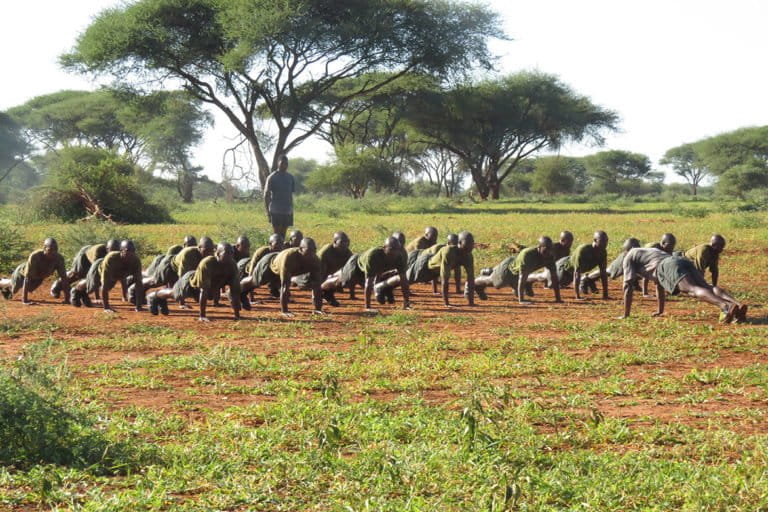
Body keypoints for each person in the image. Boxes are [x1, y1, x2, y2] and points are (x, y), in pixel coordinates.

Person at [619, 247, 746, 323]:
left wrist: (626, 314)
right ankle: (737, 305)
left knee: (692, 290)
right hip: (680, 260)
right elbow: (659, 284)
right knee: (707, 286)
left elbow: (627, 286)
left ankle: (725, 306)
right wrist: (660, 311)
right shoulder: (648, 251)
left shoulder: (628, 257)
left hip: (667, 265)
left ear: (625, 251)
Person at [376, 231, 475, 309]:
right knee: (406, 278)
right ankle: (381, 286)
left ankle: (387, 288)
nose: (472, 245)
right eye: (469, 243)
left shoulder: (468, 255)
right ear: (460, 243)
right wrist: (447, 304)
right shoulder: (449, 251)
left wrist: (471, 302)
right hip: (424, 263)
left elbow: (470, 279)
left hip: (433, 271)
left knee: (407, 279)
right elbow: (444, 279)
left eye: (472, 243)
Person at [148, 242, 242, 322]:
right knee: (175, 293)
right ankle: (155, 296)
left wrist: (237, 315)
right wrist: (202, 316)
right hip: (191, 283)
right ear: (217, 254)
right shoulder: (207, 263)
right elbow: (203, 290)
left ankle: (160, 297)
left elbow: (235, 291)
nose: (230, 256)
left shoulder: (232, 266)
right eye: (227, 253)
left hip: (209, 287)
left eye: (231, 253)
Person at [323, 236, 410, 312]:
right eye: (391, 249)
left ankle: (329, 290)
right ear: (384, 248)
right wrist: (367, 307)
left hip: (372, 269)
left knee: (391, 277)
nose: (394, 252)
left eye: (397, 250)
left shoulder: (399, 257)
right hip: (356, 265)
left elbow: (404, 280)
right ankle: (322, 287)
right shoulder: (373, 256)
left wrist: (406, 303)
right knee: (343, 282)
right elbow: (369, 283)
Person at [240, 238, 324, 317]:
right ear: (301, 249)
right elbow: (284, 285)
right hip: (270, 264)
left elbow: (317, 285)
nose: (312, 254)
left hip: (284, 266)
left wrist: (318, 309)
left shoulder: (315, 260)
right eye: (309, 251)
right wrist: (285, 311)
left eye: (314, 250)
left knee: (315, 283)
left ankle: (241, 294)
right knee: (255, 281)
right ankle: (236, 290)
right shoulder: (289, 258)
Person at [474, 236, 562, 304]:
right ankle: (475, 282)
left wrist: (558, 298)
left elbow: (554, 278)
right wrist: (521, 300)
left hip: (517, 271)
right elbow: (522, 277)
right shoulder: (528, 255)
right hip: (508, 271)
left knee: (516, 286)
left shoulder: (550, 256)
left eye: (551, 249)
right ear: (539, 247)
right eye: (546, 249)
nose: (549, 252)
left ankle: (488, 271)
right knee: (494, 282)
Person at [70, 240, 143, 313]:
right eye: (128, 251)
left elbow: (139, 283)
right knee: (94, 284)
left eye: (133, 251)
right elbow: (104, 284)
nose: (131, 253)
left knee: (106, 285)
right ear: (121, 250)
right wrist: (106, 308)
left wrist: (138, 306)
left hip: (117, 273)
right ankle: (76, 290)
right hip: (99, 270)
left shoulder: (136, 261)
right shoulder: (111, 258)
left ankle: (84, 295)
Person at [543, 231, 609, 300]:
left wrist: (605, 294)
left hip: (571, 273)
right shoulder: (583, 250)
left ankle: (585, 280)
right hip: (562, 268)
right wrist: (577, 296)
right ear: (595, 240)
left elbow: (603, 273)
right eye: (602, 241)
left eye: (606, 240)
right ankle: (530, 279)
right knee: (544, 277)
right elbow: (576, 273)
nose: (605, 243)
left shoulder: (603, 252)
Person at [1, 238, 69, 304]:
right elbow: (27, 278)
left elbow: (64, 279)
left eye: (55, 250)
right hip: (21, 274)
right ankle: (2, 282)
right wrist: (25, 300)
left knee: (29, 288)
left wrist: (67, 299)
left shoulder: (59, 259)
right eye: (50, 250)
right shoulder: (35, 256)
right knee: (14, 290)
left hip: (37, 278)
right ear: (44, 248)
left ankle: (5, 282)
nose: (53, 252)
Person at [293, 231, 352, 307]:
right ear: (335, 242)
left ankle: (328, 294)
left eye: (347, 241)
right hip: (312, 273)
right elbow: (317, 272)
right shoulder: (326, 251)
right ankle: (293, 279)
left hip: (327, 274)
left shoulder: (347, 253)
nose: (345, 244)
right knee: (303, 284)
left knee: (339, 278)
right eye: (342, 242)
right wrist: (316, 300)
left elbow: (350, 270)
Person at [51, 239, 120, 299]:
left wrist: (124, 297)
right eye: (112, 250)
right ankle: (56, 286)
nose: (113, 253)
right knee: (75, 274)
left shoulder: (117, 255)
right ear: (107, 248)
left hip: (90, 259)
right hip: (84, 256)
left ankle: (69, 288)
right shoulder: (99, 251)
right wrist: (97, 297)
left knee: (81, 276)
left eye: (116, 250)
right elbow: (95, 273)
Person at [263, 154, 295, 239]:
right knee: (276, 236)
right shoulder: (272, 177)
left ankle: (282, 251)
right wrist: (268, 212)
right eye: (282, 163)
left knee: (283, 236)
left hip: (287, 211)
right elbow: (266, 195)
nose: (284, 165)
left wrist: (291, 210)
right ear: (278, 164)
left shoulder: (290, 177)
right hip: (275, 210)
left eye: (286, 164)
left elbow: (290, 195)